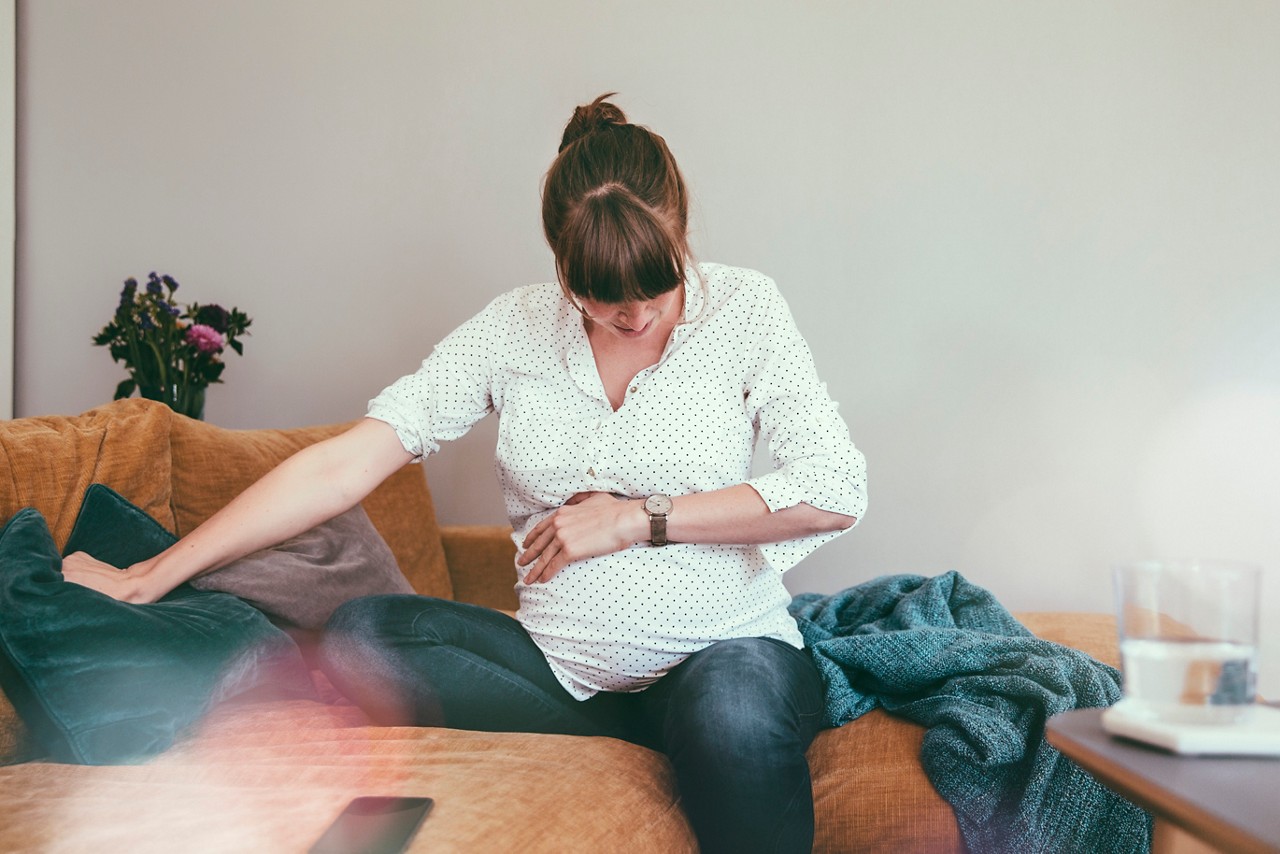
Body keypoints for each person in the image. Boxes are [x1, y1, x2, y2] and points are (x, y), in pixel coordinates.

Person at [64, 94, 867, 854]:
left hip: (723, 650)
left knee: (729, 710)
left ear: (682, 231)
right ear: (560, 267)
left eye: (655, 290)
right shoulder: (511, 330)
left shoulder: (745, 309)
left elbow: (835, 486)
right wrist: (149, 576)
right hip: (564, 676)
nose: (634, 316)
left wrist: (636, 516)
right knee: (365, 633)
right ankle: (643, 732)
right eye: (600, 297)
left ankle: (693, 725)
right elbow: (347, 464)